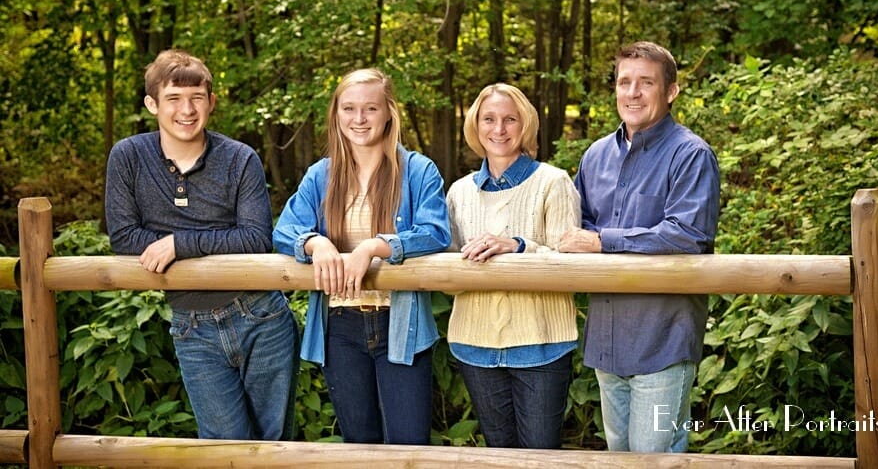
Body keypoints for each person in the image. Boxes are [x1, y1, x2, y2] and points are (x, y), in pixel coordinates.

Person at [104, 49, 300, 441]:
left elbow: (255, 238)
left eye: (197, 98)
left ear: (211, 102)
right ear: (151, 104)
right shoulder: (128, 157)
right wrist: (206, 242)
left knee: (275, 442)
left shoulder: (240, 158)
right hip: (192, 327)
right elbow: (124, 237)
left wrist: (179, 244)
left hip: (261, 315)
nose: (186, 110)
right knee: (221, 446)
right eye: (174, 99)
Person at [272, 68, 450, 445]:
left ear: (389, 113)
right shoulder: (322, 175)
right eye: (349, 108)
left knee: (408, 447)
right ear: (336, 113)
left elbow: (435, 232)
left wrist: (373, 246)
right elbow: (283, 230)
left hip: (400, 325)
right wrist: (316, 244)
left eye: (370, 109)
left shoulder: (418, 170)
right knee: (359, 445)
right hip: (339, 327)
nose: (359, 119)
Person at [558, 41, 720, 453]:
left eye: (646, 82)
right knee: (618, 456)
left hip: (662, 338)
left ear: (671, 91)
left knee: (655, 458)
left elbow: (686, 234)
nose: (632, 92)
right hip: (607, 340)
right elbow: (576, 228)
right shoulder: (596, 156)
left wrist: (602, 241)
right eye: (624, 82)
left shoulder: (691, 154)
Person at [446, 83, 581, 449]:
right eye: (489, 119)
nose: (499, 129)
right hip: (474, 342)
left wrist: (519, 246)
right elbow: (447, 277)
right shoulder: (458, 192)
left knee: (540, 455)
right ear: (476, 126)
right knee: (498, 454)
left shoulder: (553, 182)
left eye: (510, 119)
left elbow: (570, 264)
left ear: (526, 126)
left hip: (541, 342)